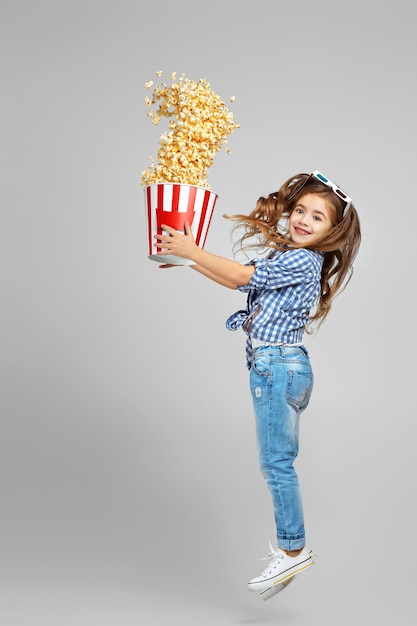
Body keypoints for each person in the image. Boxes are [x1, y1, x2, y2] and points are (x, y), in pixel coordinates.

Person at [154, 170, 361, 600]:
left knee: (276, 464)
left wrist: (192, 249)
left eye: (317, 217)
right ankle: (291, 551)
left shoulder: (302, 259)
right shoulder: (292, 256)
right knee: (276, 461)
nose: (303, 220)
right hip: (282, 367)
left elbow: (239, 279)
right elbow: (242, 275)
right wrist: (189, 258)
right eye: (300, 210)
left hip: (278, 368)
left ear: (333, 231)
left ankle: (293, 550)